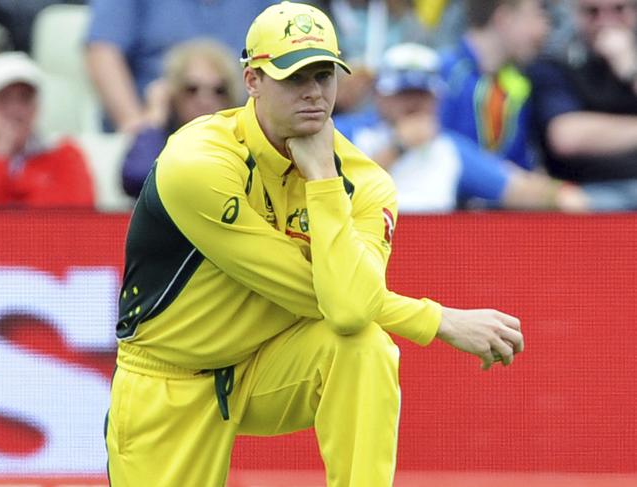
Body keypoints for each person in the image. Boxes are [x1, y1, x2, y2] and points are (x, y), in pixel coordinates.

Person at [104, 3, 524, 486]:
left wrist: (323, 176)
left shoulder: (365, 182)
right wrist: (437, 320)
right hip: (171, 374)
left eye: (324, 76)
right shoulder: (198, 162)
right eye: (292, 77)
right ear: (253, 80)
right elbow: (308, 290)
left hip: (269, 366)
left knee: (364, 346)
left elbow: (347, 311)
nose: (312, 93)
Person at [335, 42, 589, 213]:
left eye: (422, 93)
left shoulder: (447, 147)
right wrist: (398, 146)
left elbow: (514, 187)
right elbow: (336, 193)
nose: (413, 102)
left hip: (427, 253)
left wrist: (559, 194)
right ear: (379, 95)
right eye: (403, 93)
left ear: (436, 99)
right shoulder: (346, 133)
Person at [84, 0, 275, 133]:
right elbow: (102, 51)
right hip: (159, 127)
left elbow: (286, 51)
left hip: (244, 128)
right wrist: (138, 128)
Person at [528, 0, 637, 210]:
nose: (606, 22)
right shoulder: (555, 59)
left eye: (619, 10)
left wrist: (630, 70)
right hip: (586, 190)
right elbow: (566, 137)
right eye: (592, 12)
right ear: (575, 14)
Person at [121, 38, 245, 198]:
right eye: (192, 89)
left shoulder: (243, 144)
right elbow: (137, 178)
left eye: (219, 90)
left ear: (232, 96)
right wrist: (155, 115)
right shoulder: (160, 139)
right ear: (172, 93)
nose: (205, 100)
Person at [438, 0, 550, 170]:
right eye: (537, 15)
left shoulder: (517, 84)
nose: (544, 30)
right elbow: (441, 155)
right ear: (504, 19)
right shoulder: (444, 75)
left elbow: (522, 165)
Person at [0, 51, 94, 207]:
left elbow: (75, 216)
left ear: (36, 107)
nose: (15, 109)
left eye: (24, 98)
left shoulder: (65, 155)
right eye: (3, 98)